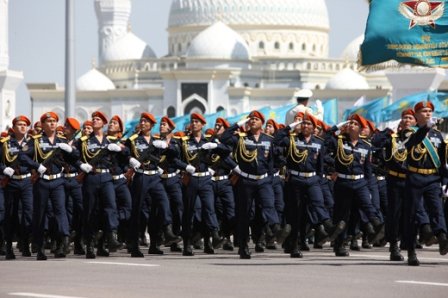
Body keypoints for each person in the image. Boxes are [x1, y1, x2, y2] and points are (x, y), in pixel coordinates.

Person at [220, 110, 287, 259]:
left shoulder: (268, 139)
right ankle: (243, 246)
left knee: (269, 205)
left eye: (255, 119)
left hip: (263, 180)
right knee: (245, 214)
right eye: (250, 119)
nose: (252, 121)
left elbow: (271, 161)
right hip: (246, 180)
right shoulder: (241, 138)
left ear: (261, 123)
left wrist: (269, 177)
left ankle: (276, 229)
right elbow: (224, 139)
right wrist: (238, 124)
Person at [325, 114, 384, 257]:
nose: (352, 125)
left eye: (355, 124)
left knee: (367, 206)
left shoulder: (366, 146)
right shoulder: (339, 141)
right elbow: (326, 139)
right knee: (342, 215)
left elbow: (368, 169)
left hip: (360, 182)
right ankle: (340, 245)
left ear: (361, 129)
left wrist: (369, 187)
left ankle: (378, 228)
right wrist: (338, 127)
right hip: (343, 182)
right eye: (350, 123)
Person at [125, 112, 180, 257]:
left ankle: (166, 232)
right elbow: (123, 152)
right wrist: (130, 159)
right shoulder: (133, 140)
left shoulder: (156, 140)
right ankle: (134, 245)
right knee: (137, 212)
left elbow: (174, 154)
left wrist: (167, 146)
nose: (143, 123)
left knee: (163, 203)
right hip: (141, 176)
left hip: (155, 176)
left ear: (151, 125)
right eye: (141, 121)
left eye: (146, 121)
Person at [402, 101, 448, 266]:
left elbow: (442, 161)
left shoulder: (437, 135)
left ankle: (443, 237)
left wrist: (445, 181)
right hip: (415, 178)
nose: (428, 114)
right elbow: (412, 142)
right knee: (414, 215)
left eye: (429, 111)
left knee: (437, 210)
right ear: (416, 115)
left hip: (433, 178)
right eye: (424, 111)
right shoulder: (408, 132)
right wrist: (426, 127)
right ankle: (412, 252)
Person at [28, 112, 78, 260]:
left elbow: (74, 158)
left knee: (60, 211)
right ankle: (40, 246)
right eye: (48, 121)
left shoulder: (62, 140)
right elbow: (22, 156)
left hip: (58, 181)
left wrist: (70, 150)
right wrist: (36, 166)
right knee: (41, 213)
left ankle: (63, 240)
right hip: (42, 181)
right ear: (42, 124)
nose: (52, 124)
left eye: (54, 121)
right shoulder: (36, 141)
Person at [75, 111, 122, 259]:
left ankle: (110, 238)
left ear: (103, 123)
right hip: (91, 177)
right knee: (91, 211)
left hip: (107, 176)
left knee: (110, 207)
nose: (94, 121)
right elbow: (74, 157)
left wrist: (121, 149)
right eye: (93, 119)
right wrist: (82, 166)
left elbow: (125, 156)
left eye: (98, 119)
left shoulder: (110, 141)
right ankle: (90, 245)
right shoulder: (83, 141)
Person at [0, 116, 34, 259]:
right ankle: (8, 247)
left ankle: (25, 243)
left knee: (27, 214)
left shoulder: (33, 143)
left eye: (25, 125)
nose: (22, 127)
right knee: (10, 214)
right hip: (12, 182)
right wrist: (3, 169)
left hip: (27, 182)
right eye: (19, 124)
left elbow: (37, 160)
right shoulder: (5, 143)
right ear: (13, 128)